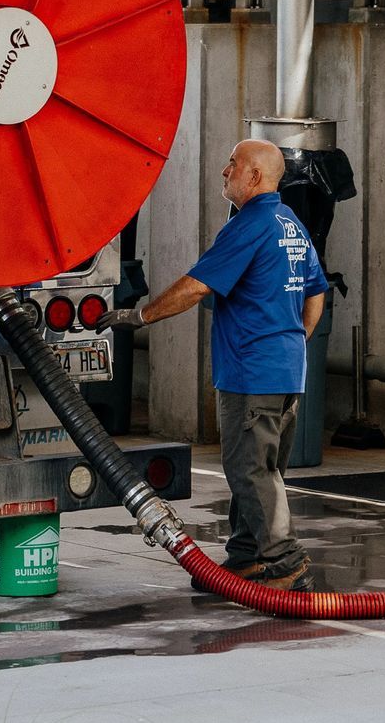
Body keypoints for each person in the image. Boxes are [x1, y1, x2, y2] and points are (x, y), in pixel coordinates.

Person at [107, 138, 327, 590]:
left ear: (255, 176)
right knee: (262, 468)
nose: (225, 172)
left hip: (251, 373)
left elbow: (196, 287)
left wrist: (140, 316)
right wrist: (292, 341)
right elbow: (316, 291)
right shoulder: (291, 224)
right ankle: (247, 557)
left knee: (250, 470)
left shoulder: (249, 225)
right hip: (287, 371)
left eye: (233, 164)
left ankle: (285, 563)